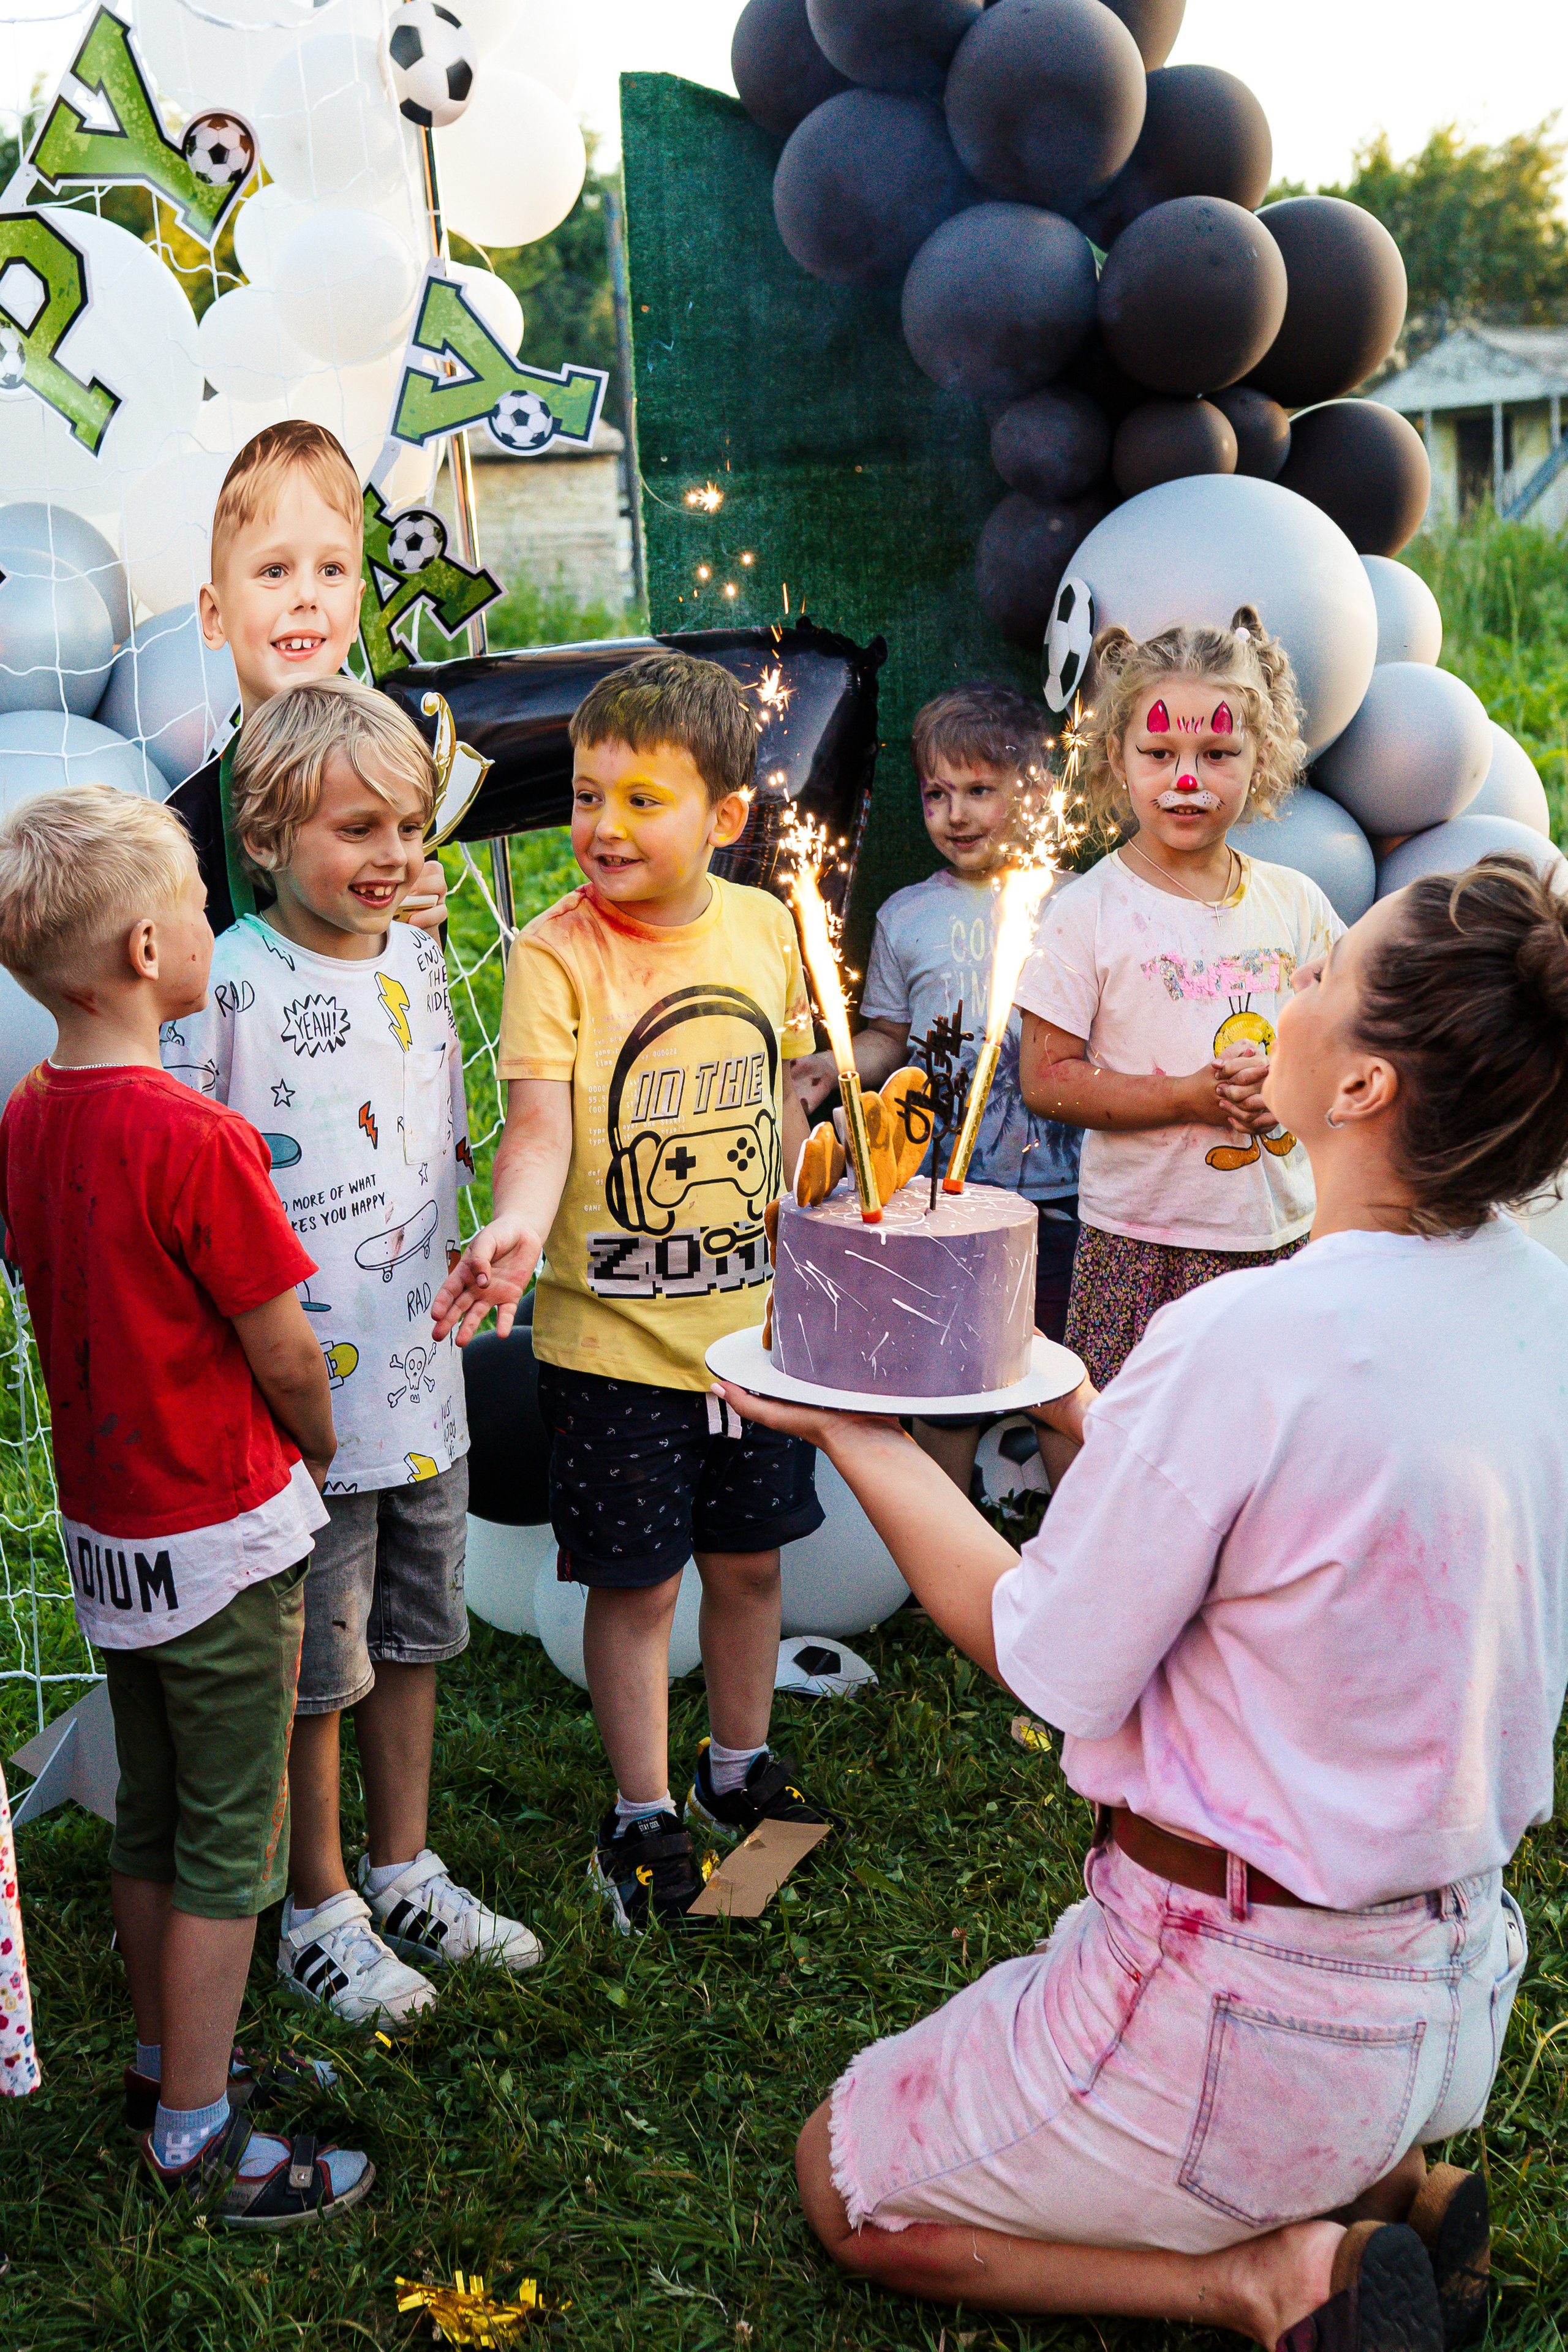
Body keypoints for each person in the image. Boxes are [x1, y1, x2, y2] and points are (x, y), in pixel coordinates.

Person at [716, 850, 1568, 2352]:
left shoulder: (1246, 1333)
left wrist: (849, 1424)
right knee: (1257, 2104)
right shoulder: (1536, 1299)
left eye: (1312, 977)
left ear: (1362, 1088)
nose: (1275, 997)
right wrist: (1066, 1398)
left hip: (1249, 2002)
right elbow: (1286, 1524)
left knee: (849, 2183)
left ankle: (1257, 2277)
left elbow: (1049, 1655)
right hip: (1452, 1974)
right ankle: (1392, 2180)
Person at [0, 785, 372, 2225]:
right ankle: (199, 2136)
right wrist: (319, 1434)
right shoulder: (193, 1137)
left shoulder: (28, 1118)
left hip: (109, 1538)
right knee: (231, 1835)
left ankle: (169, 2065)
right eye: (207, 909)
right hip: (219, 1538)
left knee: (147, 1808)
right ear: (151, 947)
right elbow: (281, 1340)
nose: (218, 926)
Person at [432, 650, 830, 1931]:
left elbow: (777, 1109)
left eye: (639, 800)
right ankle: (641, 1813)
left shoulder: (768, 930)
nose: (601, 827)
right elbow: (539, 1124)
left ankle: (736, 1768)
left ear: (723, 818)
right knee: (638, 1586)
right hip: (612, 1348)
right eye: (587, 796)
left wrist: (814, 1173)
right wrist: (513, 1223)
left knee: (751, 1567)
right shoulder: (554, 956)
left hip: (754, 1344)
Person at [163, 675, 539, 2028]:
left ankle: (404, 1864)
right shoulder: (226, 989)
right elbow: (184, 1180)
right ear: (262, 836)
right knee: (319, 1662)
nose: (391, 858)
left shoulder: (426, 960)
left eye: (408, 830)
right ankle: (316, 1903)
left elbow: (438, 1136)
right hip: (291, 1413)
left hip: (420, 1375)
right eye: (356, 830)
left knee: (417, 1631)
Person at [1017, 605, 1340, 1393]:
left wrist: (1291, 1090)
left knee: (1267, 1442)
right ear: (1115, 759)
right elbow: (1046, 1076)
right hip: (1139, 1244)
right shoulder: (1086, 912)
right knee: (1125, 1435)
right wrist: (1187, 1097)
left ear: (1259, 758)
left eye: (1217, 753)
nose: (1186, 779)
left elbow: (1349, 1042)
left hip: (1279, 1237)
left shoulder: (1297, 904)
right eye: (1158, 752)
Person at [795, 687, 1082, 1494]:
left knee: (1058, 1375)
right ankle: (941, 1552)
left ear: (1036, 794)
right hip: (942, 1196)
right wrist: (835, 1060)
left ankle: (1071, 1549)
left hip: (1060, 1191)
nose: (954, 814)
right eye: (936, 793)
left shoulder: (1080, 906)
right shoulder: (906, 916)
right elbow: (889, 1035)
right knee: (942, 1380)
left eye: (979, 791)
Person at [167, 419, 448, 942]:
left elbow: (411, 1005)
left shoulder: (396, 779)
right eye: (274, 571)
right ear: (214, 615)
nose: (306, 596)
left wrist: (421, 942)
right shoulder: (185, 830)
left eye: (332, 570)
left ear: (358, 604)